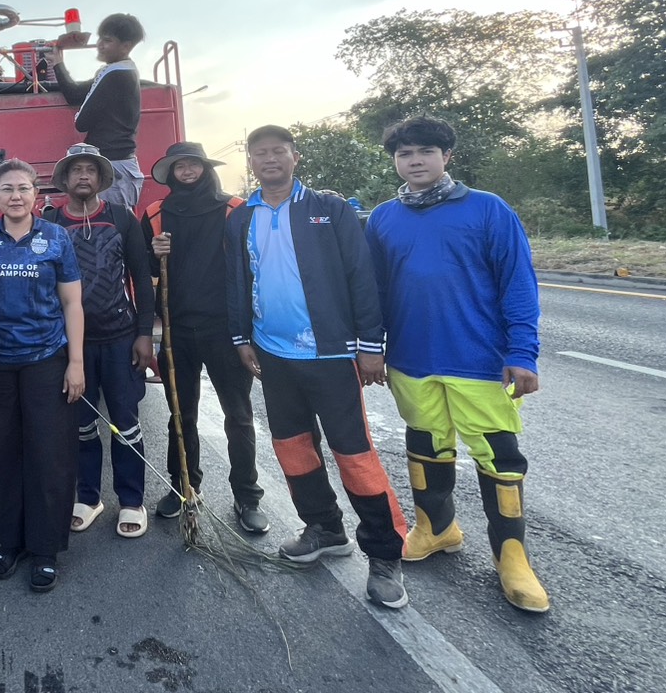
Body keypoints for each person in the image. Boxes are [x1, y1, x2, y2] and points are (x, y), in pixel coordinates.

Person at [365, 116, 550, 612]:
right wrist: (370, 346)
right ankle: (436, 528)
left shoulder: (487, 209)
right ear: (395, 161)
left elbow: (518, 283)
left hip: (479, 360)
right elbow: (374, 291)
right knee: (426, 446)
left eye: (426, 151)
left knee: (499, 456)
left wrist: (522, 352)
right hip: (410, 358)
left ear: (447, 156)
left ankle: (512, 558)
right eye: (405, 153)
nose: (415, 161)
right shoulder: (383, 218)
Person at [226, 126, 410, 610]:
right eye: (260, 153)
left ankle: (384, 554)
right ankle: (324, 528)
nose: (269, 159)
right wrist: (242, 338)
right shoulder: (242, 216)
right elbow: (238, 280)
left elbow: (361, 276)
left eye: (278, 151)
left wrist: (370, 345)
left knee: (354, 453)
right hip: (273, 354)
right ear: (251, 162)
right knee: (293, 448)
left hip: (331, 353)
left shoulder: (329, 208)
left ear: (295, 157)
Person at [0, 159, 85, 593]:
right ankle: (10, 542)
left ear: (37, 195)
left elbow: (72, 303)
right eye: (7, 189)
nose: (15, 196)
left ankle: (45, 548)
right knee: (1, 454)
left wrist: (75, 362)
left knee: (48, 454)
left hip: (46, 359)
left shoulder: (56, 238)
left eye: (23, 188)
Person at [140, 142, 267, 535]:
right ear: (171, 173)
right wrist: (154, 252)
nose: (187, 171)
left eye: (193, 164)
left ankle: (247, 496)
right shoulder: (155, 213)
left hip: (226, 329)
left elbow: (252, 266)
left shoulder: (235, 208)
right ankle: (184, 487)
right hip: (176, 329)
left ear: (205, 168)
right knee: (181, 415)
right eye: (180, 166)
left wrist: (250, 330)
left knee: (239, 415)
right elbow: (143, 269)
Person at [41, 144, 156, 539]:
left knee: (126, 422)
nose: (83, 176)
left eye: (90, 169)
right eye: (76, 170)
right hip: (73, 345)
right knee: (81, 425)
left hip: (121, 338)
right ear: (65, 179)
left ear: (101, 178)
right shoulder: (51, 223)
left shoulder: (122, 218)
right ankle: (88, 497)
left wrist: (144, 334)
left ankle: (132, 500)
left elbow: (141, 278)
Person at [43, 13, 146, 209]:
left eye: (107, 40)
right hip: (120, 165)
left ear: (125, 46)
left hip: (113, 168)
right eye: (100, 39)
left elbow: (81, 122)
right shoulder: (123, 71)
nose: (100, 45)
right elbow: (75, 94)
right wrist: (58, 63)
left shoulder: (114, 74)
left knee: (110, 224)